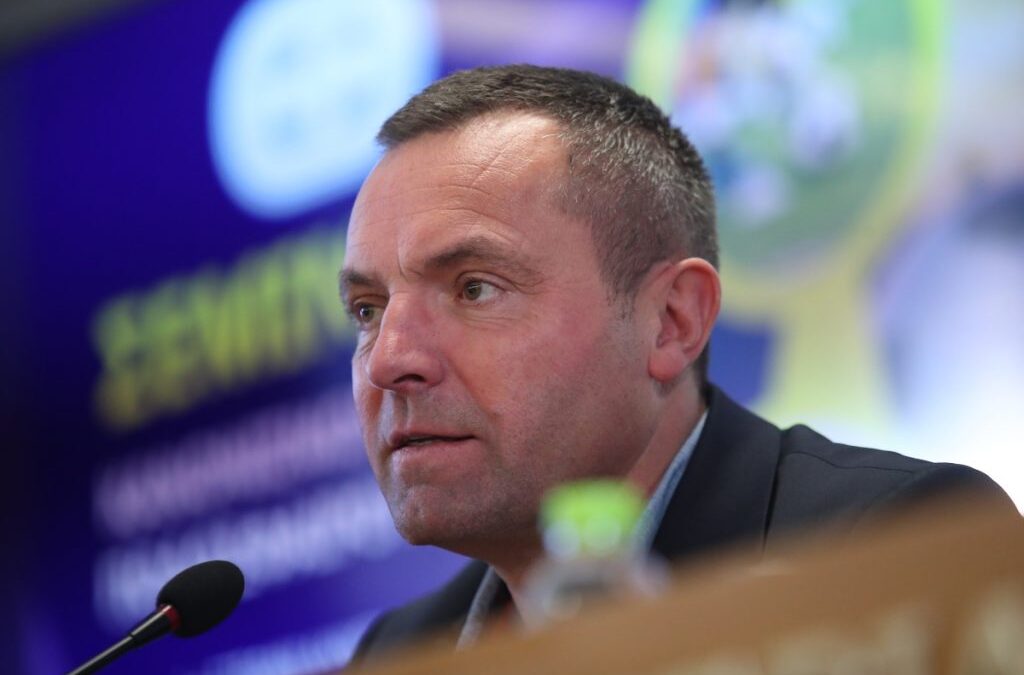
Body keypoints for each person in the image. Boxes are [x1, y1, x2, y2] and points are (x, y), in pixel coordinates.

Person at [338, 64, 1012, 661]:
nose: (389, 360)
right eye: (368, 310)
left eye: (475, 289)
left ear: (672, 320)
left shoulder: (898, 544)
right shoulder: (400, 652)